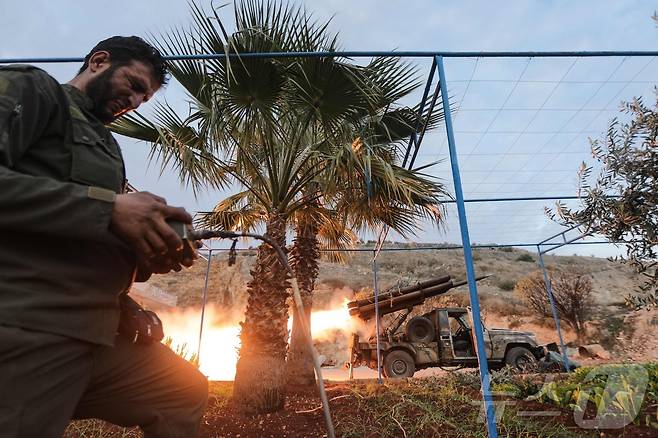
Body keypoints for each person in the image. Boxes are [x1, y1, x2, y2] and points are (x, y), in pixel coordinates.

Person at [0, 36, 208, 437]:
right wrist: (110, 208)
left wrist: (146, 253)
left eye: (143, 99)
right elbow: (89, 211)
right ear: (99, 62)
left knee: (181, 391)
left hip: (95, 333)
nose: (133, 101)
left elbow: (79, 234)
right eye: (132, 85)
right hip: (32, 326)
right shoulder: (35, 90)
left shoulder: (106, 145)